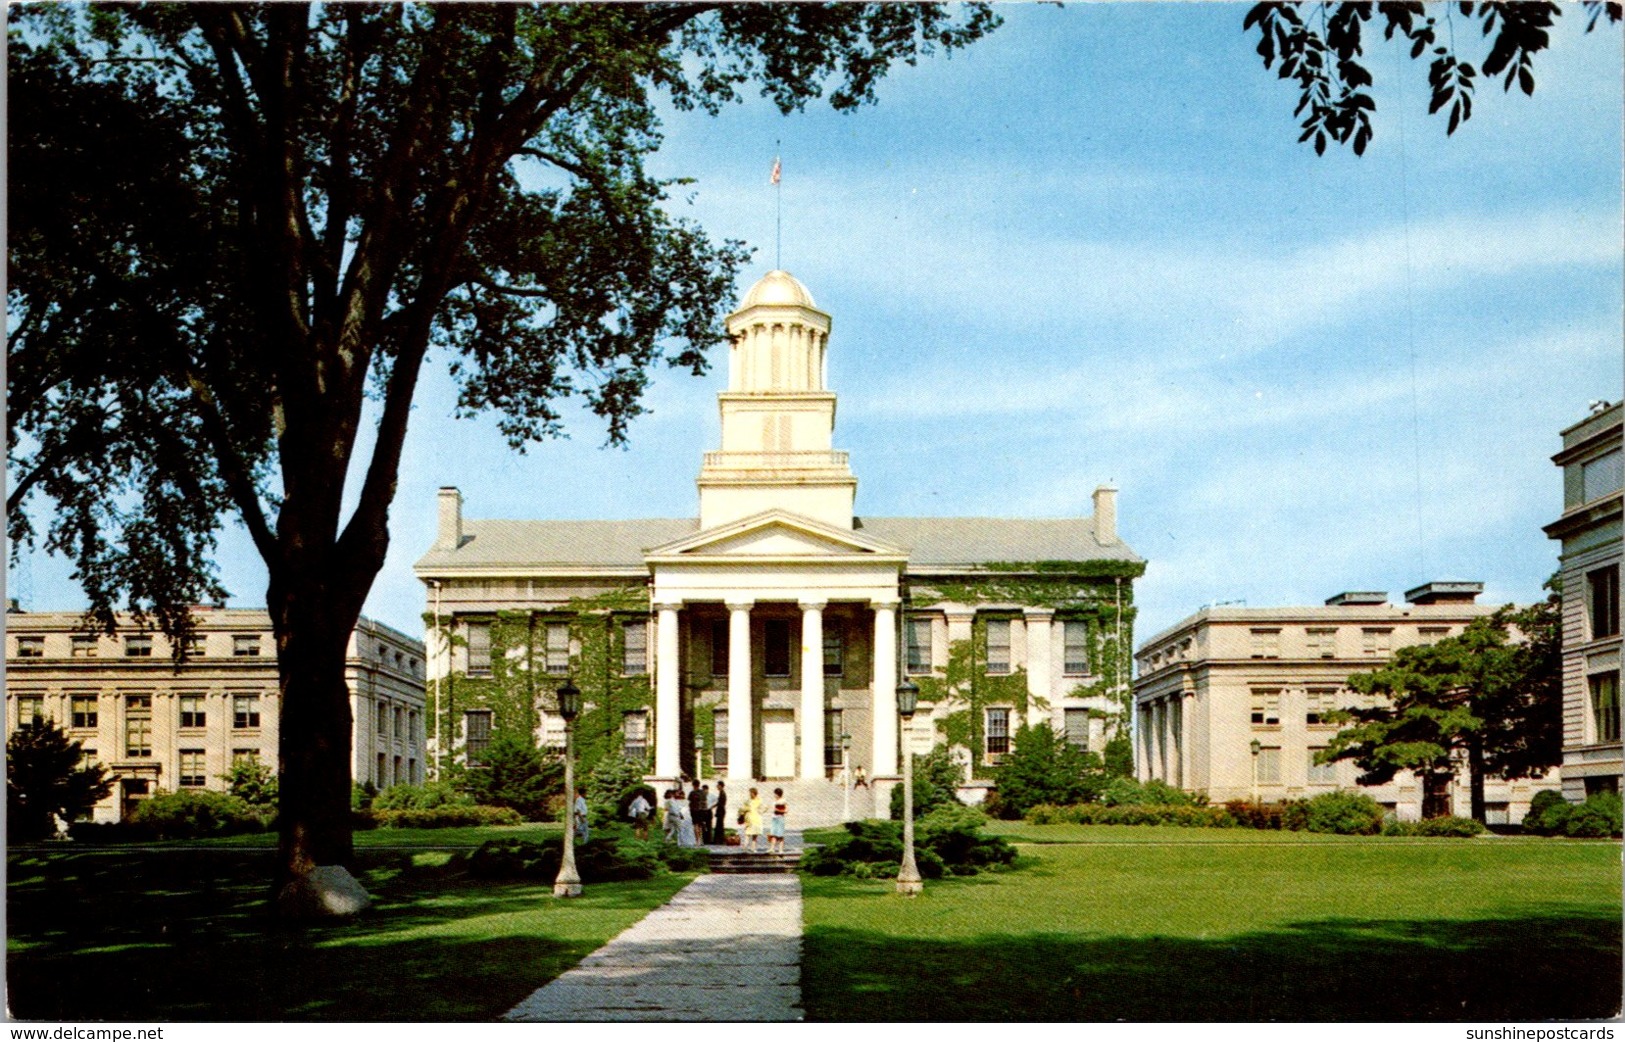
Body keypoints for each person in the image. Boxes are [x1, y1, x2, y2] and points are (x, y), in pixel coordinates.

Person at [741, 787, 764, 853]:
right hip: (749, 819)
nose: (750, 794)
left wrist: (761, 812)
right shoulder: (748, 801)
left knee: (754, 835)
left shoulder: (758, 800)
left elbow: (762, 809)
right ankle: (745, 848)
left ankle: (753, 848)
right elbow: (743, 809)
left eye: (751, 793)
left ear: (754, 793)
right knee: (747, 834)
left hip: (756, 819)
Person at [767, 787, 788, 855]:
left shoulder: (783, 801)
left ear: (778, 794)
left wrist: (778, 810)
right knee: (773, 834)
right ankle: (772, 848)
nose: (774, 795)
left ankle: (781, 850)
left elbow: (786, 810)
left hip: (780, 818)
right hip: (774, 818)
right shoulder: (774, 801)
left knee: (780, 835)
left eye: (775, 794)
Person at [711, 780, 728, 845]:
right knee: (719, 825)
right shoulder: (721, 793)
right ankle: (718, 840)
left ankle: (720, 840)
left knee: (720, 825)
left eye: (718, 785)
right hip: (720, 810)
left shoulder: (722, 793)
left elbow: (721, 803)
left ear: (721, 786)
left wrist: (714, 806)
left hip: (721, 811)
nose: (717, 787)